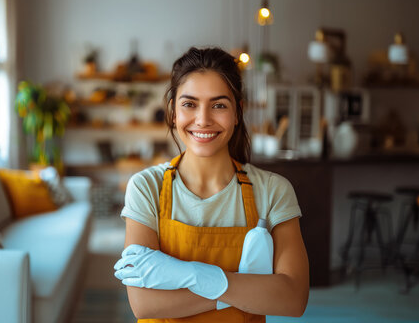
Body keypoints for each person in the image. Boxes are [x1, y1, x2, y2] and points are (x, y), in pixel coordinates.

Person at [113, 47, 309, 322]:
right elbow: (145, 304)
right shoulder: (147, 188)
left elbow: (293, 298)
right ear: (172, 111)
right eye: (189, 104)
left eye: (218, 105)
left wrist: (191, 276)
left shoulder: (273, 191)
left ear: (238, 112)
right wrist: (243, 289)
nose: (203, 119)